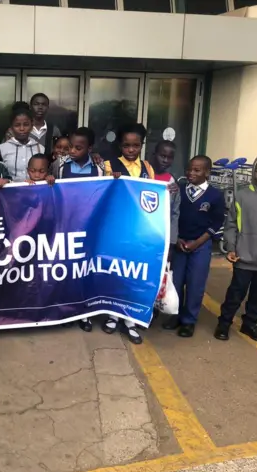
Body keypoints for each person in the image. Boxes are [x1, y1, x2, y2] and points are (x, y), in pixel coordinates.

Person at [214, 153, 257, 343]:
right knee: (236, 293)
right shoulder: (242, 194)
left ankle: (250, 324)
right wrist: (231, 247)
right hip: (243, 257)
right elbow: (232, 224)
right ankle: (224, 323)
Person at [102, 123, 154, 344]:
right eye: (127, 145)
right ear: (120, 145)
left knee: (133, 273)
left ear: (141, 145)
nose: (131, 150)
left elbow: (152, 196)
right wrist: (109, 181)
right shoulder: (108, 165)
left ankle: (130, 319)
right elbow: (100, 194)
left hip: (137, 229)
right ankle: (113, 315)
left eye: (136, 145)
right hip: (115, 227)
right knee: (116, 271)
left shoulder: (147, 167)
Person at [164, 156, 224, 338]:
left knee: (195, 284)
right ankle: (175, 315)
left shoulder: (215, 195)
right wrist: (179, 239)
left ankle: (189, 321)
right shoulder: (179, 190)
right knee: (176, 281)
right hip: (180, 244)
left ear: (207, 173)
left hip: (201, 245)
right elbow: (172, 215)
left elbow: (217, 221)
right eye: (189, 169)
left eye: (197, 170)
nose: (191, 173)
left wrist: (198, 242)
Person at [149, 140, 181, 261]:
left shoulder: (172, 183)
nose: (165, 160)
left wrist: (171, 243)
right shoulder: (142, 174)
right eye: (162, 156)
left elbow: (174, 214)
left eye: (169, 157)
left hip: (161, 238)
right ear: (154, 154)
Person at [0, 107, 44, 182]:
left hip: (35, 192)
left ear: (32, 125)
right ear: (11, 127)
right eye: (17, 125)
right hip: (10, 193)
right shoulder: (2, 149)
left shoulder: (41, 149)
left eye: (26, 125)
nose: (22, 128)